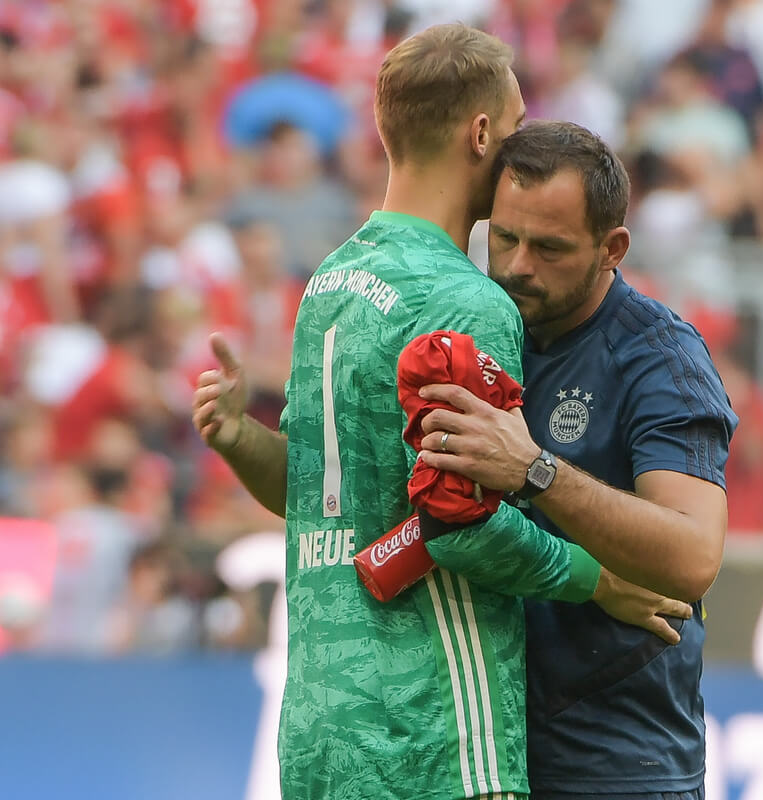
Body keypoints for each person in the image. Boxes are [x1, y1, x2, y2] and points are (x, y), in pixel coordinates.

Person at [191, 24, 687, 800]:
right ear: (481, 132)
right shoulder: (463, 300)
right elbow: (462, 529)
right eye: (516, 125)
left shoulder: (329, 282)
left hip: (322, 728)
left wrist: (238, 439)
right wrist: (602, 581)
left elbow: (316, 496)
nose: (521, 148)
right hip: (432, 727)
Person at [416, 121, 738, 799]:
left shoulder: (660, 358)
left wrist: (536, 472)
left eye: (550, 247)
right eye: (503, 238)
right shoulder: (474, 330)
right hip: (477, 753)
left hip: (616, 763)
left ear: (611, 248)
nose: (517, 265)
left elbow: (691, 557)